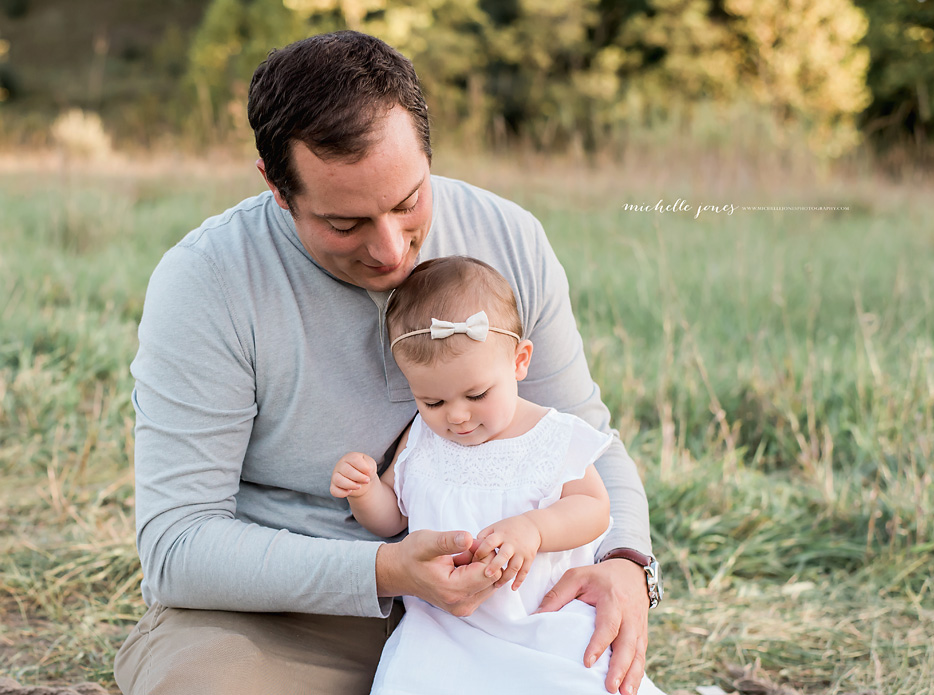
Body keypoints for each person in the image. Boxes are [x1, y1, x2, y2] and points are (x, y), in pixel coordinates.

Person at [114, 30, 661, 695]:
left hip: (504, 612)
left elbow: (583, 438)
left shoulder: (511, 238)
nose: (390, 249)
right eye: (344, 223)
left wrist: (629, 563)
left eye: (408, 203)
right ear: (277, 188)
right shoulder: (207, 283)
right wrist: (387, 568)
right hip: (281, 618)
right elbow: (177, 547)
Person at [331, 256, 664, 695]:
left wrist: (533, 529)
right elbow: (392, 518)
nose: (457, 416)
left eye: (477, 394)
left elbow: (594, 509)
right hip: (445, 631)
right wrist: (365, 490)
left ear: (519, 361)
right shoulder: (422, 441)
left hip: (544, 621)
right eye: (432, 402)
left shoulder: (550, 434)